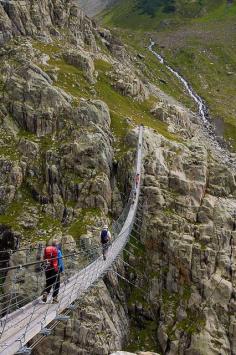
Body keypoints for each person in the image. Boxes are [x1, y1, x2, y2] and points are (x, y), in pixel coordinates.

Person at [42, 239, 62, 304]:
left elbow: (44, 258)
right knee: (56, 283)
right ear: (57, 245)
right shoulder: (58, 251)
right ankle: (55, 299)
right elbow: (60, 261)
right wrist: (61, 269)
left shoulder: (47, 250)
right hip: (55, 269)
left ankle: (46, 292)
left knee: (49, 282)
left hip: (47, 268)